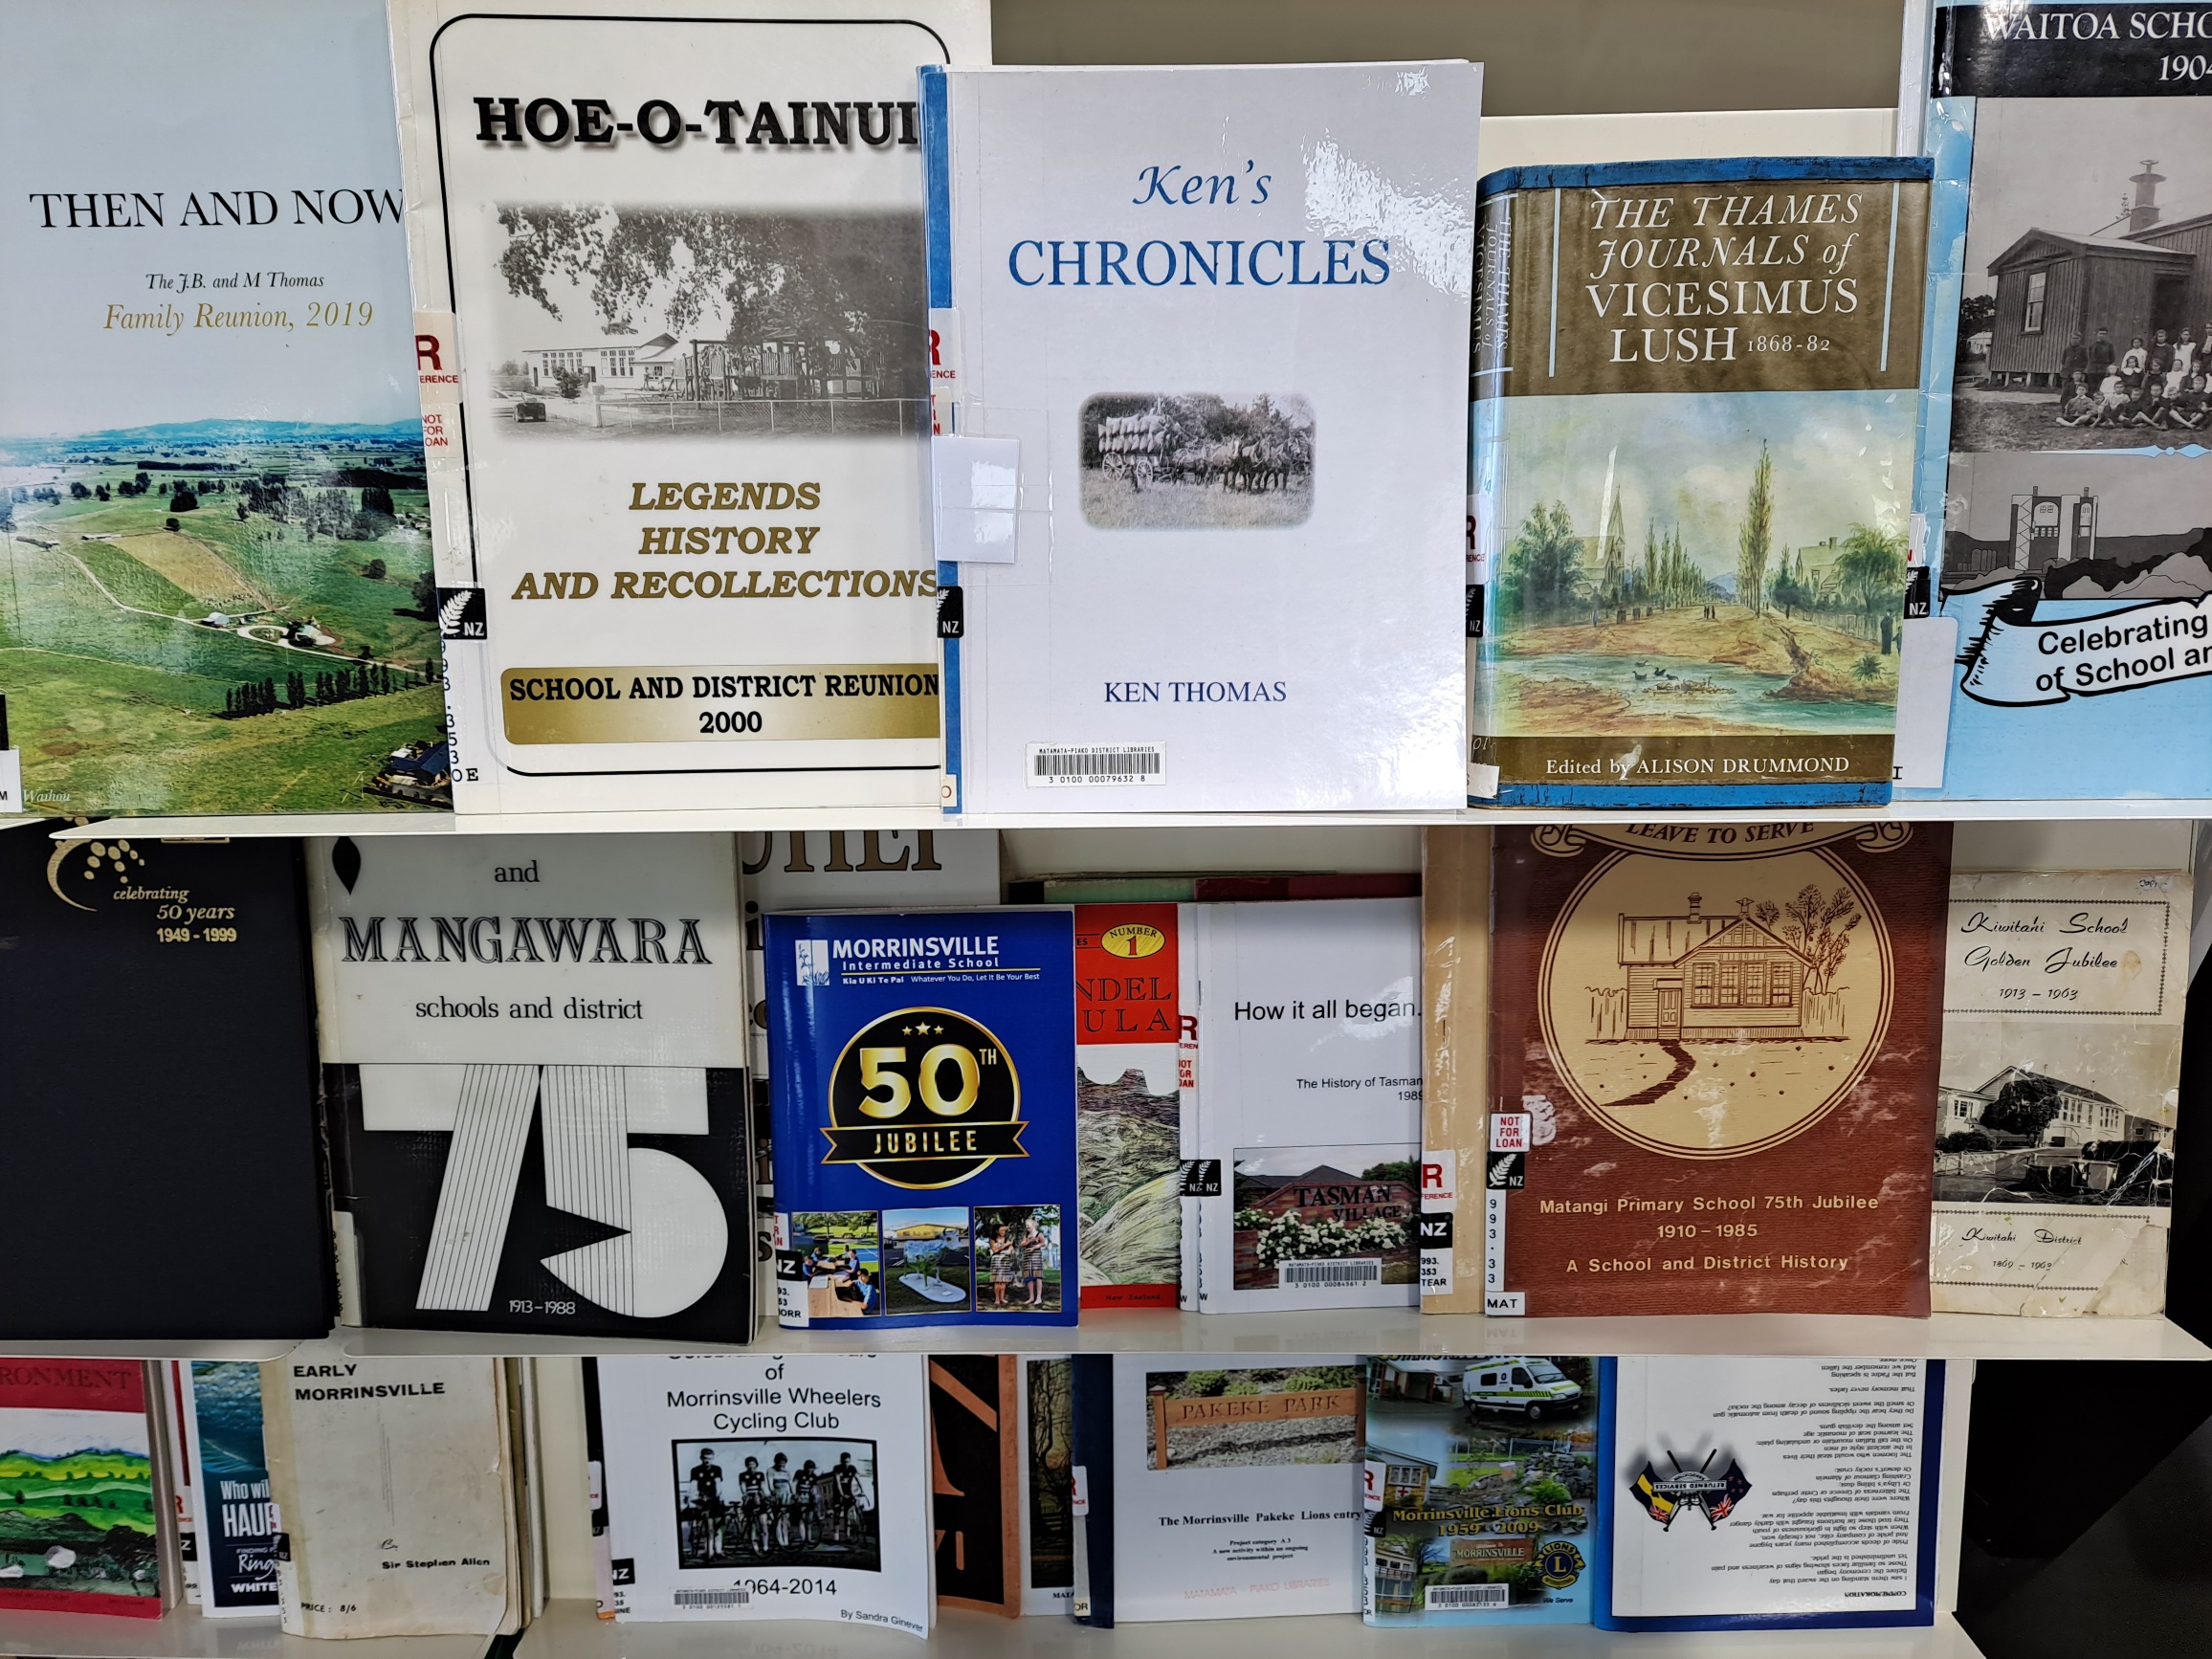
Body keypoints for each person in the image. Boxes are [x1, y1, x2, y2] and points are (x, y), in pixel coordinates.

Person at [737, 1455, 769, 1555]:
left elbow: (764, 1487)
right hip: (749, 1500)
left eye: (753, 1464)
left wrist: (767, 1496)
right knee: (752, 1524)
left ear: (756, 1465)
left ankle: (765, 1545)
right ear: (746, 1465)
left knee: (763, 1523)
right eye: (749, 1465)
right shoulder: (742, 1475)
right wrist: (745, 1495)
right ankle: (754, 1544)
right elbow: (743, 1488)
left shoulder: (760, 1474)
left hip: (760, 1499)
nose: (751, 1466)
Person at [767, 1453, 796, 1548]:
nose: (782, 1465)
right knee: (778, 1519)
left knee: (785, 1519)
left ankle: (786, 1540)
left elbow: (791, 1485)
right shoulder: (771, 1471)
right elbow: (770, 1485)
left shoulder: (787, 1472)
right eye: (780, 1463)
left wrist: (794, 1494)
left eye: (784, 1463)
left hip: (787, 1496)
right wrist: (773, 1492)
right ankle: (780, 1541)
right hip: (778, 1496)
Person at [1021, 1217, 1049, 1308]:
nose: (1027, 1227)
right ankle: (1031, 1297)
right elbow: (1022, 1244)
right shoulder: (1026, 1235)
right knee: (1029, 1277)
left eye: (1028, 1225)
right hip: (1028, 1257)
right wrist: (1029, 1241)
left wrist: (1034, 1247)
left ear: (1033, 1225)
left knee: (1038, 1277)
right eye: (1026, 1226)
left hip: (1036, 1256)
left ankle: (1038, 1298)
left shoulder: (1039, 1234)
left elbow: (1043, 1243)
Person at [794, 1460, 821, 1546]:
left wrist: (815, 1498)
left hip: (809, 1499)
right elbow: (794, 1484)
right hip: (800, 1497)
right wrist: (795, 1494)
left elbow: (814, 1488)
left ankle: (809, 1538)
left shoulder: (814, 1477)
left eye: (812, 1468)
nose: (810, 1470)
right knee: (802, 1518)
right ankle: (803, 1538)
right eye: (809, 1468)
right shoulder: (799, 1473)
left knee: (809, 1520)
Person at [988, 1223, 1016, 1307]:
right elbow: (995, 1250)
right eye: (1001, 1230)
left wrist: (1010, 1248)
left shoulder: (1007, 1239)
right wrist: (1005, 1245)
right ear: (997, 1231)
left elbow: (1012, 1249)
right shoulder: (993, 1240)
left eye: (1004, 1230)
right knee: (998, 1281)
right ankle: (997, 1299)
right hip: (996, 1261)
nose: (1003, 1231)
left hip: (1005, 1260)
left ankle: (1002, 1298)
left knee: (1003, 1281)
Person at [2059, 332, 2089, 407]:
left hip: (2077, 372)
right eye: (2073, 338)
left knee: (2077, 387)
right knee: (2065, 388)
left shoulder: (2082, 349)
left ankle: (2076, 404)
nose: (2074, 340)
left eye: (2076, 338)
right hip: (2067, 372)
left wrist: (2080, 370)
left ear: (2080, 339)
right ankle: (2064, 404)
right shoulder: (2067, 349)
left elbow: (2085, 360)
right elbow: (2063, 360)